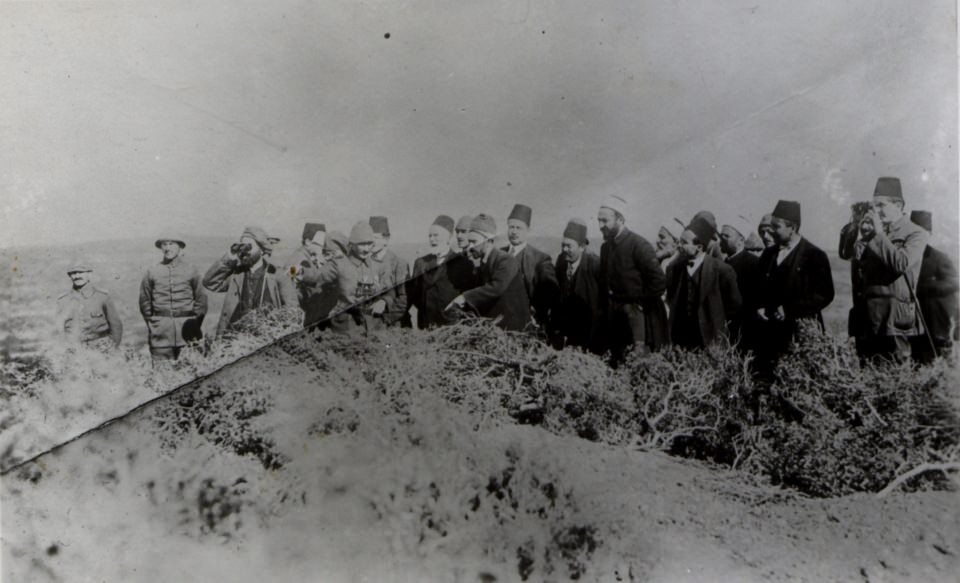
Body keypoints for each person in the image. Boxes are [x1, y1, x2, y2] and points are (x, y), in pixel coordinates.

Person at [841, 178, 929, 363]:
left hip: (894, 320)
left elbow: (901, 264)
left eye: (881, 205)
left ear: (898, 205)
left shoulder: (916, 233)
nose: (876, 211)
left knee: (895, 378)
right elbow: (851, 258)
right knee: (868, 378)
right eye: (874, 206)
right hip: (867, 319)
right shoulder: (875, 232)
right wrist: (857, 230)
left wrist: (878, 234)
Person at [755, 200, 834, 377]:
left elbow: (825, 294)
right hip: (769, 334)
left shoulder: (815, 255)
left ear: (793, 228)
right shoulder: (768, 254)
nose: (772, 231)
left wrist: (791, 310)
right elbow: (758, 287)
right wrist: (759, 306)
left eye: (776, 227)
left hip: (801, 334)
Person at [597, 194, 668, 364]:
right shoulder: (605, 248)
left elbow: (659, 282)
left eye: (605, 221)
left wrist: (639, 303)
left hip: (639, 323)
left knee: (638, 366)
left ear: (620, 219)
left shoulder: (639, 245)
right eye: (598, 220)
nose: (600, 226)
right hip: (616, 322)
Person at [202, 226, 299, 337]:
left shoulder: (278, 276)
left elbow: (293, 311)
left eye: (249, 246)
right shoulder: (237, 275)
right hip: (234, 338)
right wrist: (230, 256)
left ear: (262, 250)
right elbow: (210, 282)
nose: (244, 252)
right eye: (241, 246)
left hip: (266, 338)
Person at [301, 221, 393, 335]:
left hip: (373, 326)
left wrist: (383, 301)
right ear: (352, 244)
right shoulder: (339, 264)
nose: (366, 249)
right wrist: (298, 271)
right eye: (362, 244)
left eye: (370, 244)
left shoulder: (377, 265)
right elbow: (317, 276)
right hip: (346, 328)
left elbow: (389, 291)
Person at [666, 217, 742, 349]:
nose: (679, 246)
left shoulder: (722, 271)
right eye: (679, 241)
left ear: (699, 247)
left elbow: (734, 306)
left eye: (684, 242)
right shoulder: (674, 269)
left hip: (709, 339)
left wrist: (717, 325)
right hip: (680, 338)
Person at [446, 214, 531, 331]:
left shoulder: (505, 260)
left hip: (515, 329)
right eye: (469, 242)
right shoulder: (483, 263)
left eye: (474, 241)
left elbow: (496, 288)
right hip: (498, 328)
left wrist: (464, 298)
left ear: (489, 241)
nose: (470, 246)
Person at [138, 237, 207, 361]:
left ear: (180, 247)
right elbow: (145, 303)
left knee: (191, 372)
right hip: (161, 335)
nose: (167, 248)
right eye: (164, 244)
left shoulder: (191, 270)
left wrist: (193, 325)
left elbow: (201, 301)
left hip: (188, 334)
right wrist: (155, 324)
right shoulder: (152, 271)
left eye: (171, 244)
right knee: (163, 374)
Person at [406, 215, 474, 329]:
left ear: (449, 237)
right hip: (425, 325)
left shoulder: (463, 263)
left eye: (436, 235)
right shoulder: (421, 262)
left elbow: (467, 297)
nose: (431, 239)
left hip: (451, 327)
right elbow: (414, 295)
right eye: (430, 236)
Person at [910, 210, 958, 363]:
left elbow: (954, 282)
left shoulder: (938, 257)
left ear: (929, 233)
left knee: (930, 357)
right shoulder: (905, 255)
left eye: (923, 232)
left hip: (931, 318)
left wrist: (927, 287)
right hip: (908, 316)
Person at [550, 219, 604, 353]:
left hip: (591, 328)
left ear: (582, 247)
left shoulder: (595, 265)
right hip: (568, 329)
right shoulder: (561, 260)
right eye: (563, 245)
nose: (564, 250)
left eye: (569, 246)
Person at [502, 204, 559, 329]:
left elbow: (550, 290)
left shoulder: (540, 259)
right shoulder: (499, 254)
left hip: (526, 323)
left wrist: (537, 314)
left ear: (528, 230)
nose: (514, 232)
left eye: (519, 228)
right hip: (499, 321)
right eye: (511, 227)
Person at [56, 265, 123, 349]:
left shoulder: (102, 296)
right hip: (74, 349)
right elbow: (58, 329)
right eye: (73, 273)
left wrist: (112, 348)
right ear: (69, 276)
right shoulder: (63, 300)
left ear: (89, 274)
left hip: (100, 347)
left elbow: (116, 325)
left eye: (80, 272)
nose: (77, 276)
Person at [719, 217, 759, 347]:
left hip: (745, 329)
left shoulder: (753, 263)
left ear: (741, 240)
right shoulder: (723, 263)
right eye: (721, 236)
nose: (722, 240)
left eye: (727, 236)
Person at [288, 223, 332, 329]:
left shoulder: (306, 256)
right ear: (308, 242)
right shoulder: (299, 259)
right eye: (321, 245)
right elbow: (290, 283)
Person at [369, 216, 410, 327]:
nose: (371, 242)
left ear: (386, 240)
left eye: (375, 238)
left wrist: (384, 320)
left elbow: (403, 300)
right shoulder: (365, 263)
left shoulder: (398, 264)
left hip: (392, 324)